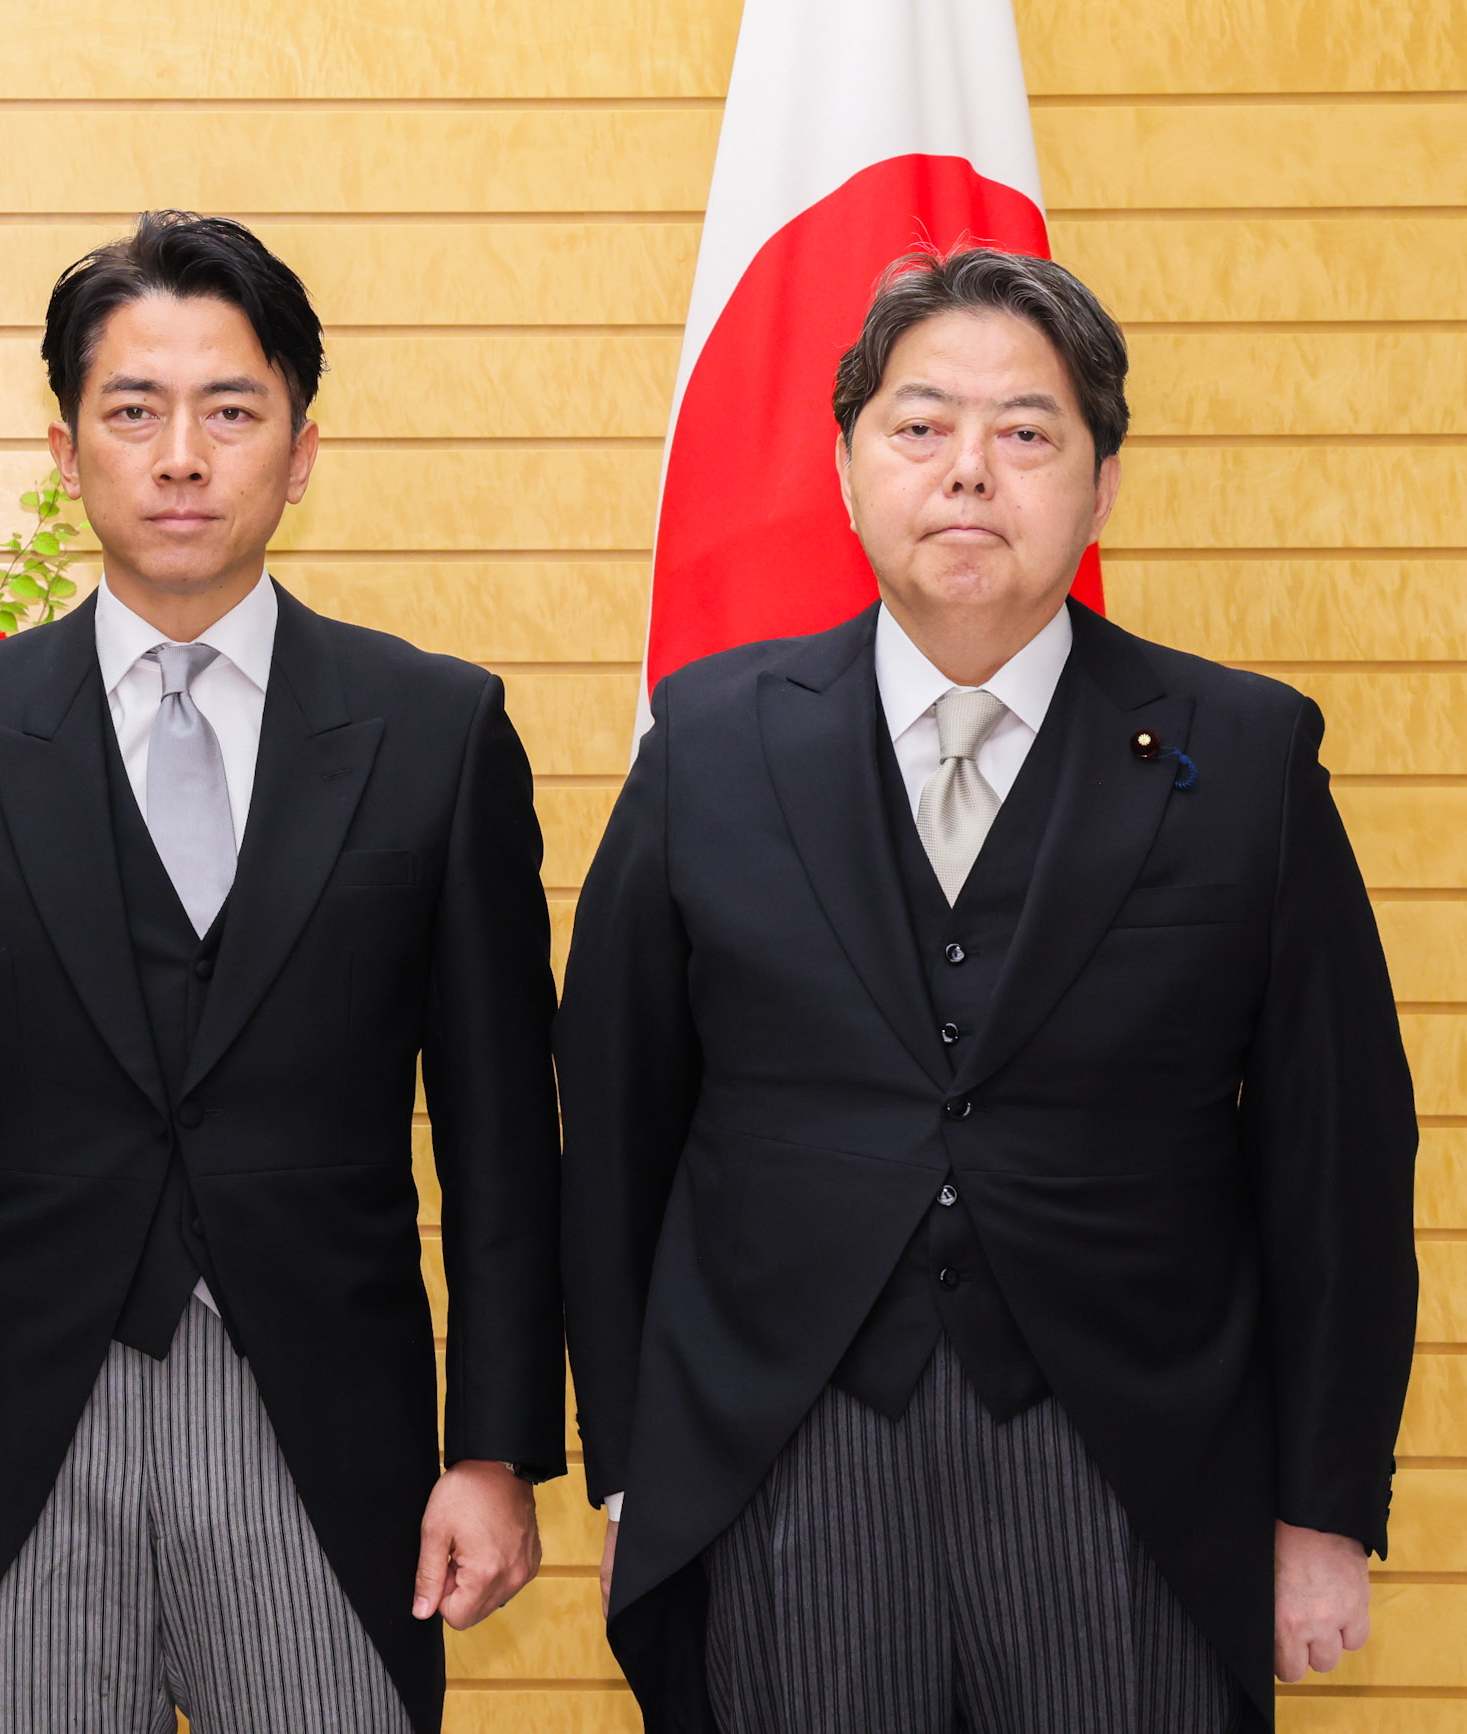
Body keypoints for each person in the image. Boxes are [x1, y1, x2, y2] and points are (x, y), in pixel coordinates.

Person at [555, 245, 1417, 1731]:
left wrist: (1322, 1508)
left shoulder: (1248, 754)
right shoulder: (707, 741)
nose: (970, 472)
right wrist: (636, 1462)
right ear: (845, 465)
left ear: (1103, 482)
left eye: (1026, 432)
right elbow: (616, 1126)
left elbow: (1336, 1159)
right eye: (920, 425)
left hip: (1130, 1470)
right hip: (783, 1461)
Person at [0, 211, 563, 1734]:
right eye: (132, 410)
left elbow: (500, 1135)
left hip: (325, 1427)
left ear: (303, 444)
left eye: (232, 409)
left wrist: (492, 1445)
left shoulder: (436, 733)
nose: (181, 454)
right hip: (12, 1433)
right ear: (65, 442)